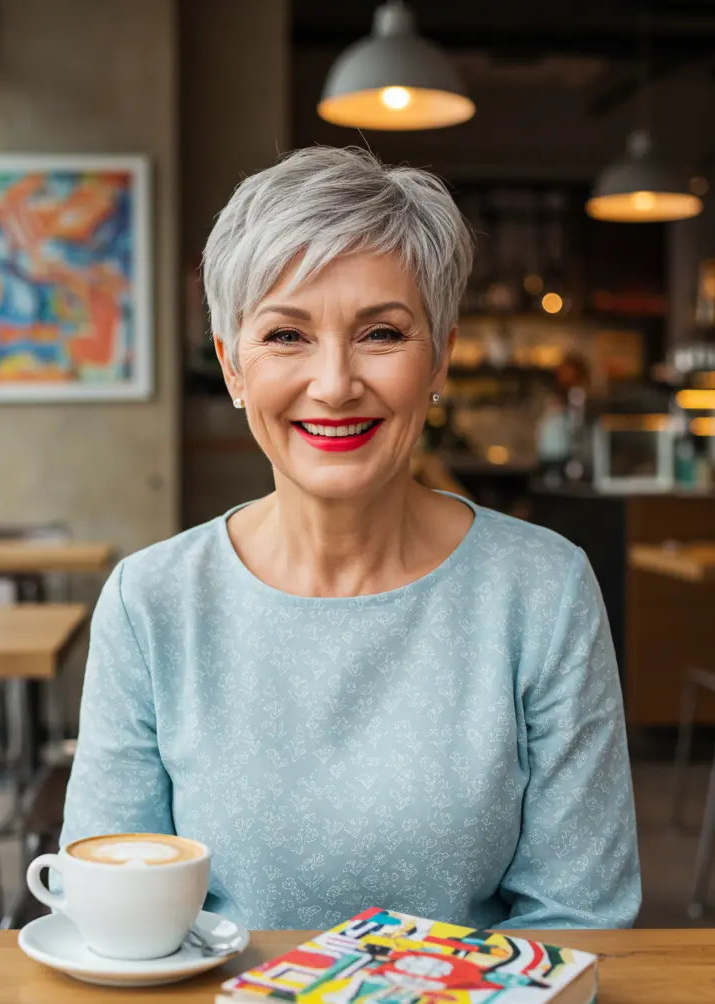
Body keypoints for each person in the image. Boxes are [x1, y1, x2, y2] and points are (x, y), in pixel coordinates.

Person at [62, 147, 640, 932]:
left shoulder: (542, 591)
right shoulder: (151, 602)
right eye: (287, 336)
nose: (334, 384)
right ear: (233, 368)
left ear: (441, 357)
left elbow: (579, 916)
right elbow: (112, 914)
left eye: (381, 333)